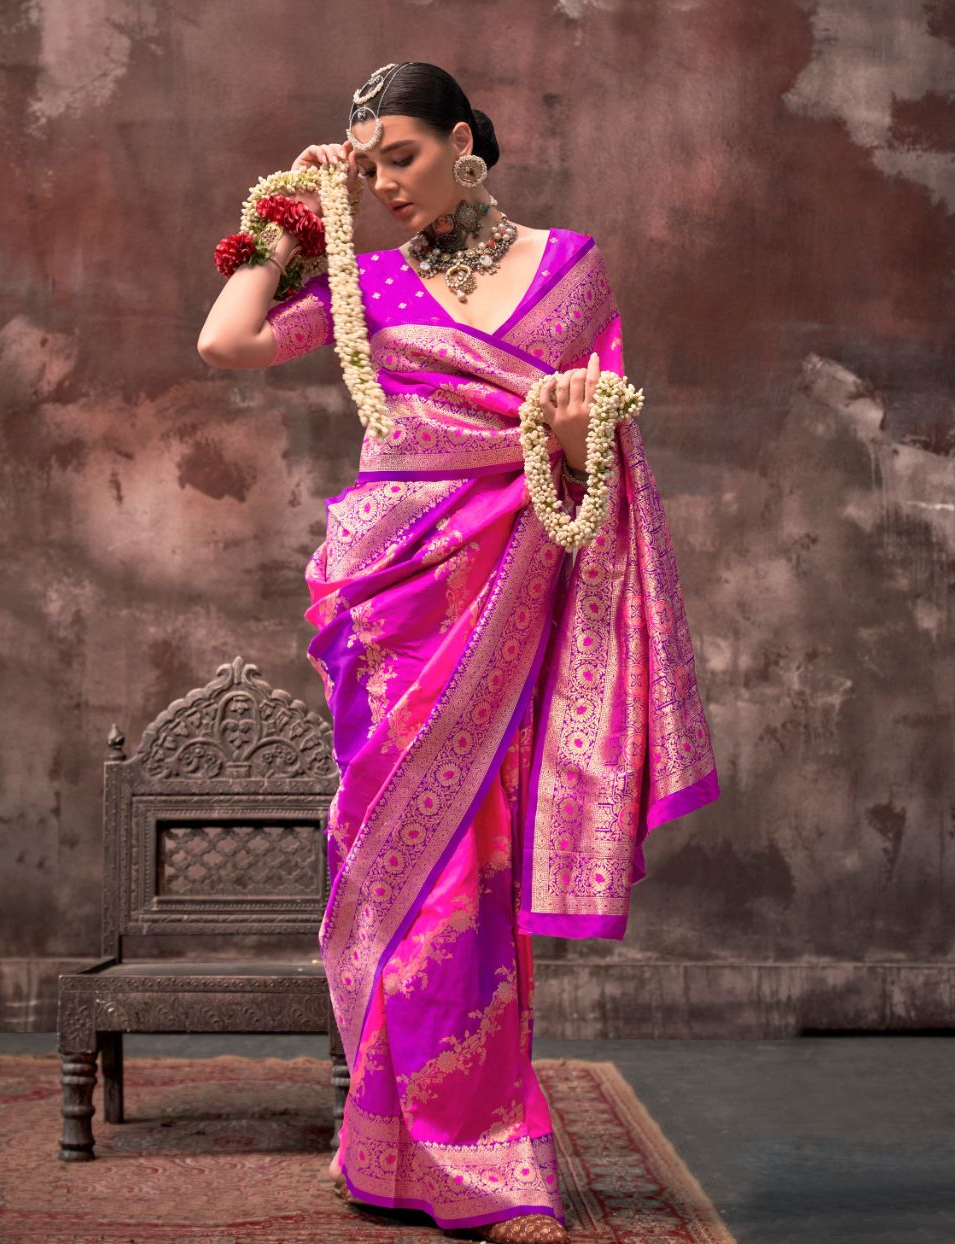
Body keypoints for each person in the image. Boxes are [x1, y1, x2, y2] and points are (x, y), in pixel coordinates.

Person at [198, 62, 720, 1243]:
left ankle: (476, 1150)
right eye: (365, 164)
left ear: (465, 143)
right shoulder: (360, 279)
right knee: (399, 873)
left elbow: (592, 438)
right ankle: (398, 1148)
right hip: (394, 604)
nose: (382, 184)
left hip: (513, 583)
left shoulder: (569, 270)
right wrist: (288, 224)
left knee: (477, 873)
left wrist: (580, 435)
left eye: (401, 156)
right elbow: (225, 342)